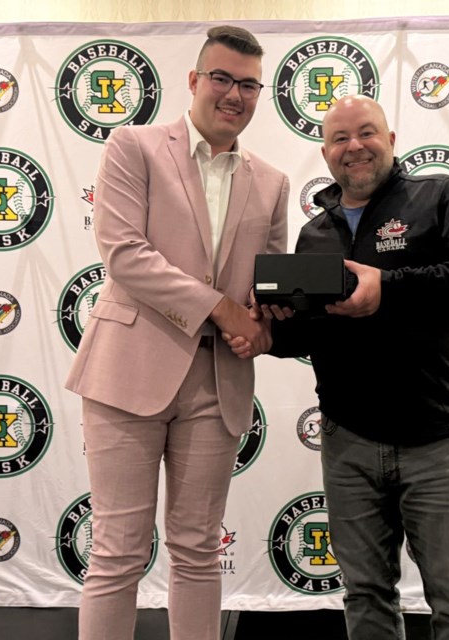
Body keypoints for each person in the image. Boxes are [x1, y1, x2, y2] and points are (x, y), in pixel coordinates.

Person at [230, 95, 449, 640]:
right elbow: (315, 331)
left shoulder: (440, 196)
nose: (354, 147)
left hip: (440, 440)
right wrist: (271, 332)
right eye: (339, 139)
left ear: (391, 139)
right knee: (367, 598)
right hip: (349, 442)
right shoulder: (317, 233)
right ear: (326, 152)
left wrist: (390, 288)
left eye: (366, 133)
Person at [65, 26, 289, 640]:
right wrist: (221, 308)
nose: (233, 95)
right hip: (126, 375)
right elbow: (125, 256)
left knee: (196, 551)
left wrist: (262, 324)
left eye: (248, 84)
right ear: (193, 81)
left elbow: (263, 290)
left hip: (218, 386)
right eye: (221, 78)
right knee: (118, 552)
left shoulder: (272, 182)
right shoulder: (132, 146)